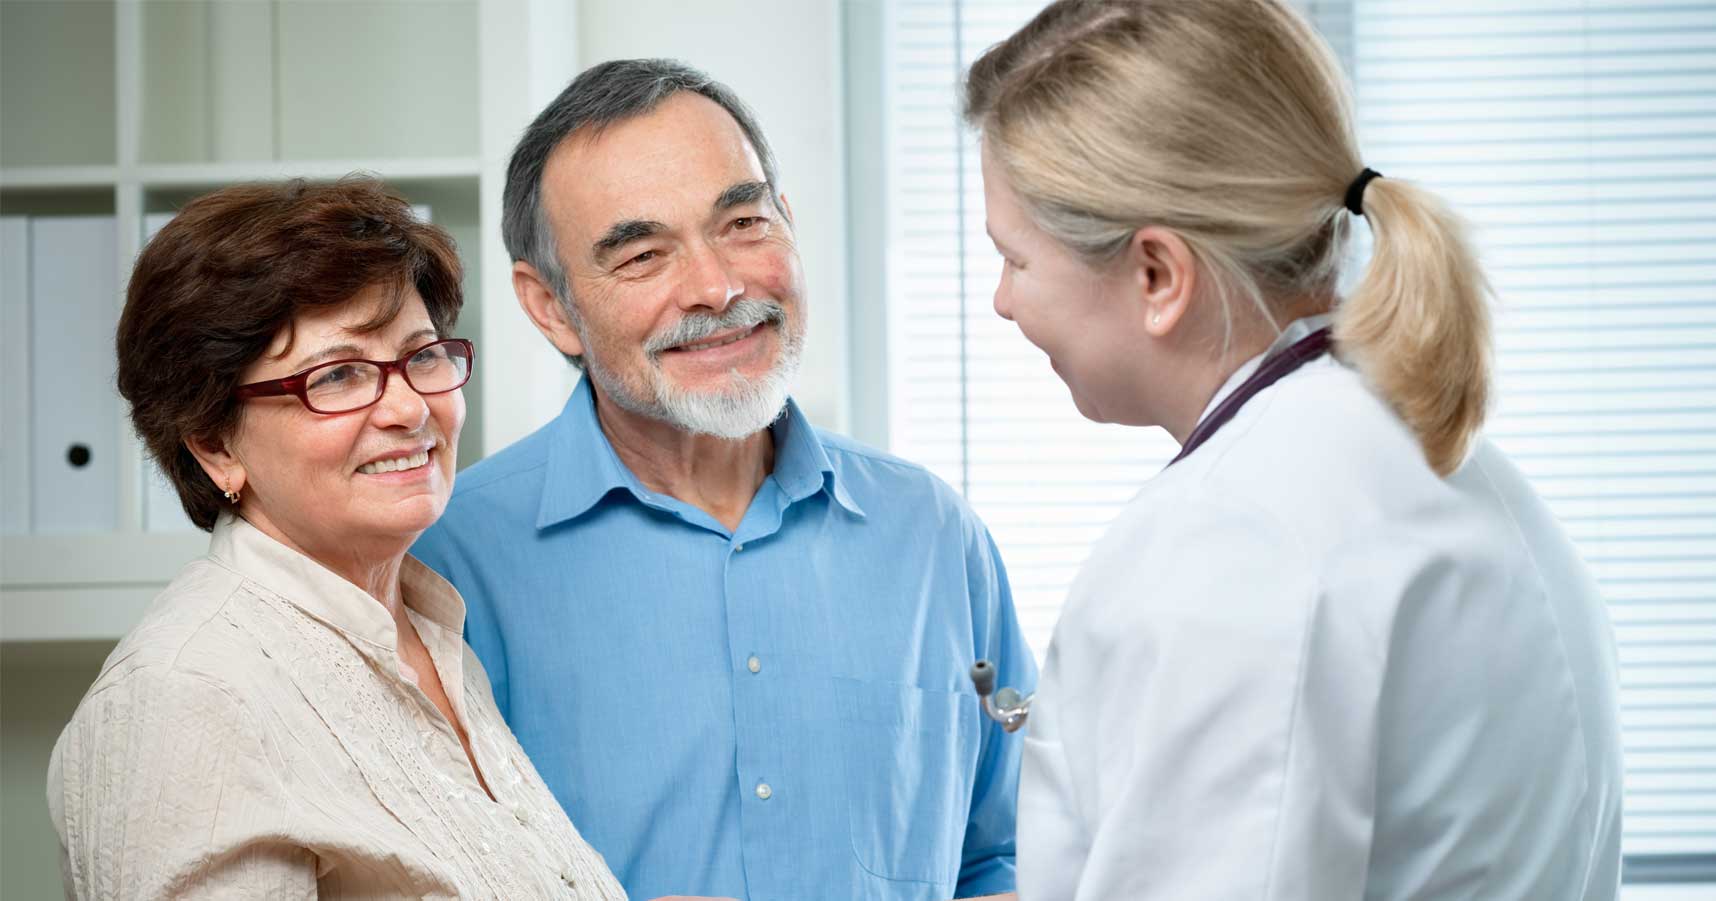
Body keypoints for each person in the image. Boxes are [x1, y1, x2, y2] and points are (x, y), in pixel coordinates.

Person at [962, 1, 1623, 899]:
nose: (1003, 302)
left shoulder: (1234, 543)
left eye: (1016, 260)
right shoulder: (1457, 470)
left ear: (1157, 275)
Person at [411, 59, 1035, 901]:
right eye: (640, 254)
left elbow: (1009, 856)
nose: (716, 286)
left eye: (743, 221)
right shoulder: (444, 564)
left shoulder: (934, 534)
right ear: (550, 306)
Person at [48, 178, 628, 899]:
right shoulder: (182, 701)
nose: (412, 407)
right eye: (341, 374)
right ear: (212, 441)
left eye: (423, 355)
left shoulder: (430, 635)